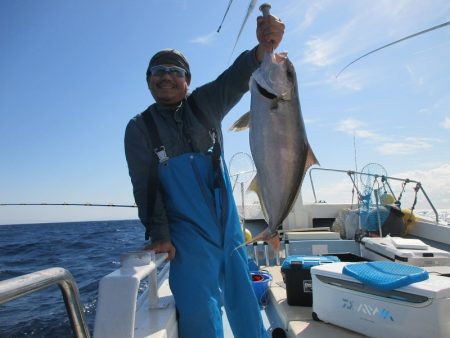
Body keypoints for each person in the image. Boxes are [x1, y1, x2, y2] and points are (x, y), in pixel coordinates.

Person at [124, 13, 284, 338]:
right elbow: (146, 187)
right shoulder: (139, 128)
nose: (165, 76)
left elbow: (237, 77)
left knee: (245, 301)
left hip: (230, 228)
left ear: (187, 80)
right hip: (186, 235)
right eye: (158, 71)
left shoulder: (206, 104)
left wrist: (262, 49)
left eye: (174, 71)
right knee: (200, 311)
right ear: (148, 79)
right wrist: (159, 233)